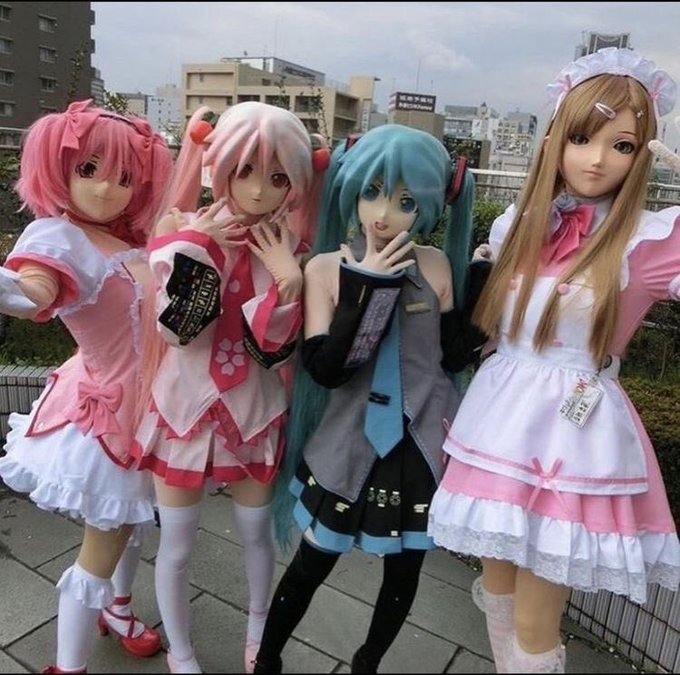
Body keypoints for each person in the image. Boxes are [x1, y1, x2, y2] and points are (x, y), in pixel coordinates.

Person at [427, 47, 680, 674]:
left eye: (622, 146)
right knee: (497, 590)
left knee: (536, 621)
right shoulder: (520, 223)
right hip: (499, 422)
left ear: (644, 156)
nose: (596, 159)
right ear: (554, 141)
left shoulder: (651, 241)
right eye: (581, 137)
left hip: (574, 436)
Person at [252, 123, 491, 674]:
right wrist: (366, 288)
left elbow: (452, 358)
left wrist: (482, 281)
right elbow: (327, 370)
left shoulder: (435, 264)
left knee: (405, 570)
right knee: (313, 561)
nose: (382, 214)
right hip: (348, 438)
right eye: (372, 192)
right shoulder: (324, 268)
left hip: (421, 442)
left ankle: (368, 662)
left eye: (406, 202)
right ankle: (267, 659)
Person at [131, 101, 327, 674]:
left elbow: (270, 350)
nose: (260, 190)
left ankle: (259, 635)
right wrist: (196, 248)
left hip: (253, 411)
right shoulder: (180, 231)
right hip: (183, 409)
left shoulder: (293, 251)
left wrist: (288, 283)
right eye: (245, 171)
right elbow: (179, 332)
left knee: (256, 535)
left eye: (278, 177)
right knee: (177, 544)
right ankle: (182, 651)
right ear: (219, 167)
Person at [0, 99, 173, 673]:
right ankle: (67, 667)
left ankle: (118, 610)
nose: (105, 188)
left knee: (135, 519)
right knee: (104, 542)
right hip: (110, 415)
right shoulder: (60, 237)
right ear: (60, 168)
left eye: (124, 177)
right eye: (89, 169)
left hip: (156, 409)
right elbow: (34, 291)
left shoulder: (131, 242)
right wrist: (19, 290)